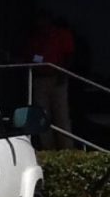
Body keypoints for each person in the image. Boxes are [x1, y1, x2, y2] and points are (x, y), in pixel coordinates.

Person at [27, 10, 75, 149]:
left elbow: (69, 55)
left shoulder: (61, 34)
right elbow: (29, 57)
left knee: (62, 116)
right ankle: (49, 150)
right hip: (40, 80)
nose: (40, 24)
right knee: (43, 116)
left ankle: (67, 151)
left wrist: (63, 73)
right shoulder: (34, 38)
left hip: (57, 79)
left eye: (43, 20)